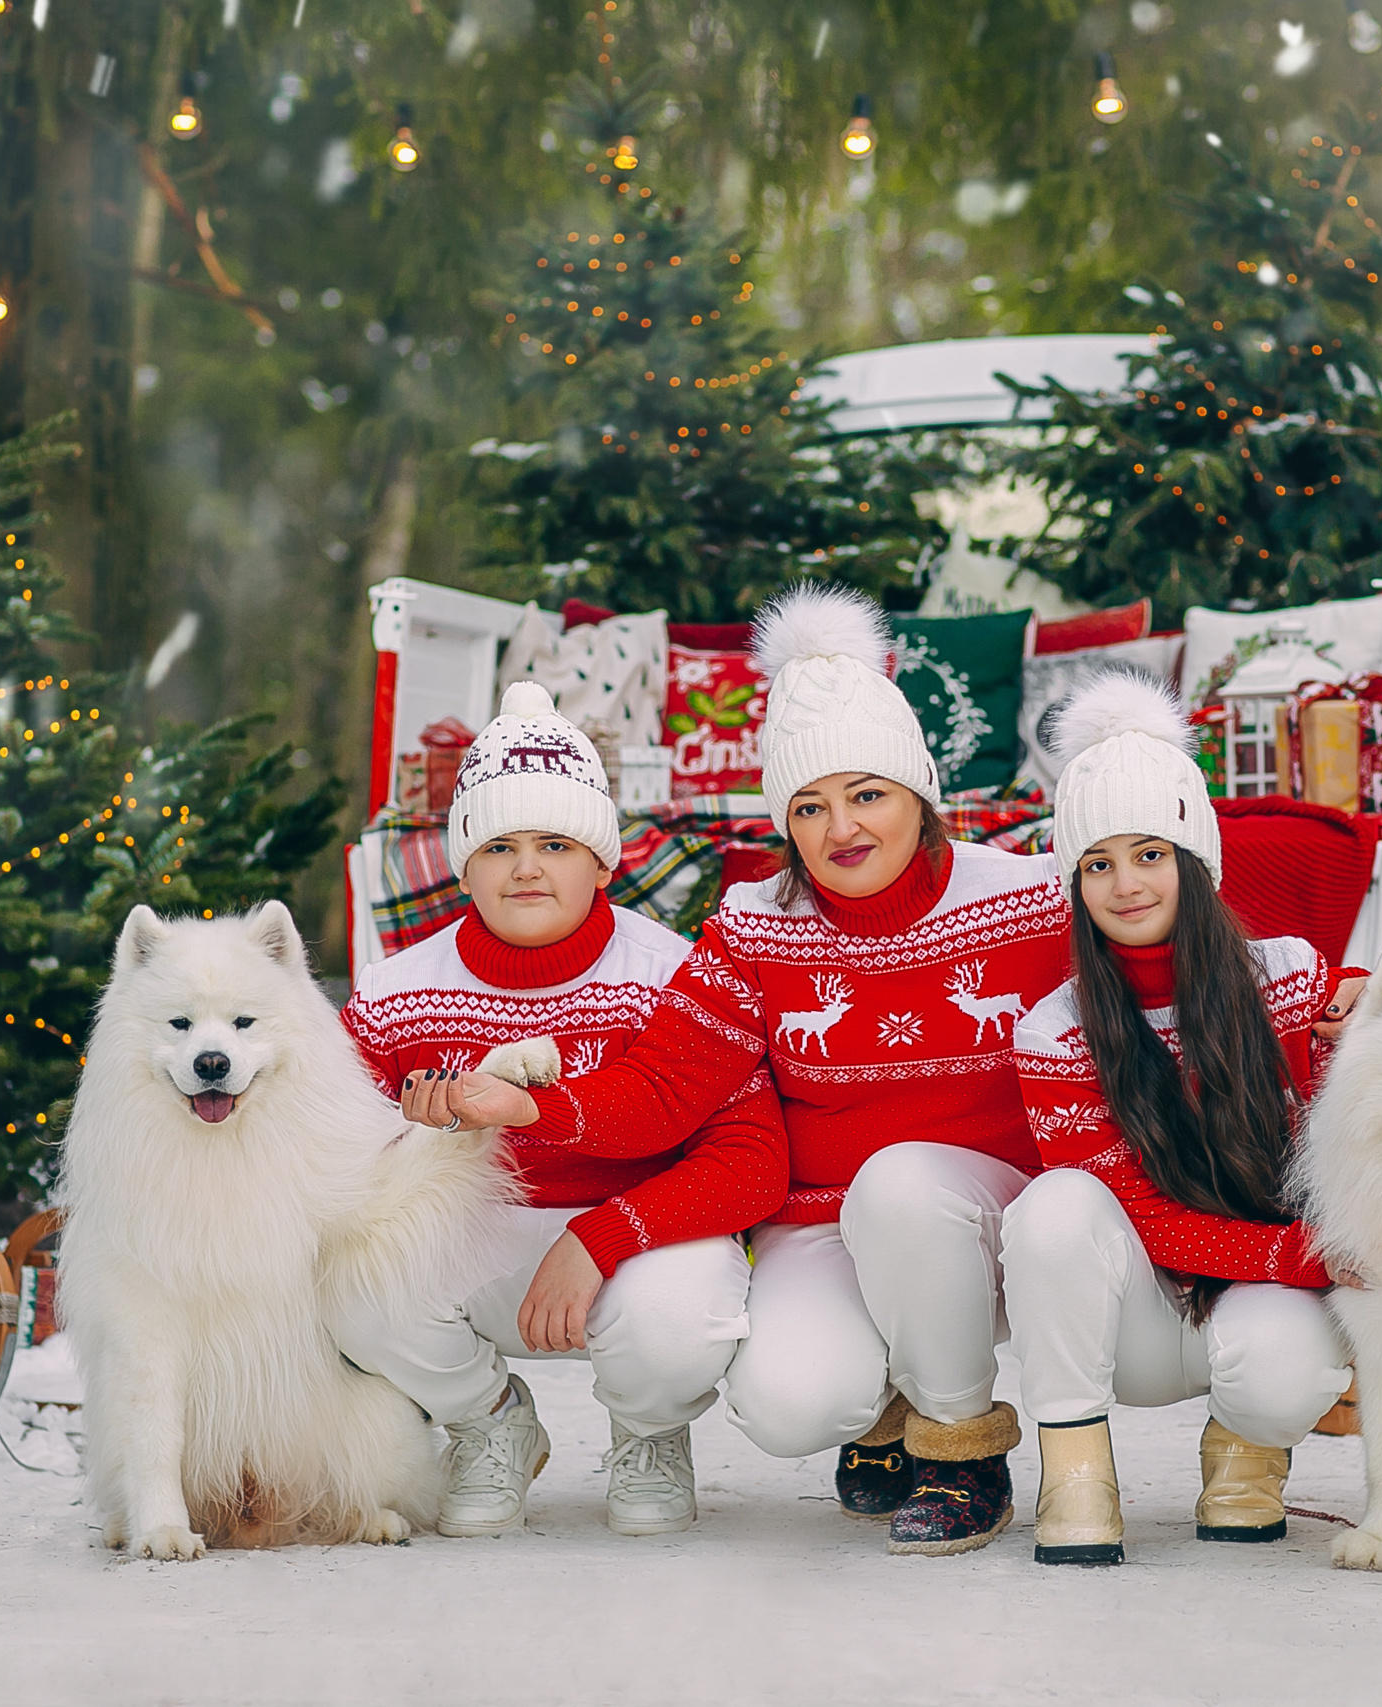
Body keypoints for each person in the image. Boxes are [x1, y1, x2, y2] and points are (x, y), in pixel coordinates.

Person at [439, 584, 1070, 1557]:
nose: (840, 828)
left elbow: (1173, 951)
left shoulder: (1030, 899)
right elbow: (662, 1088)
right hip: (827, 1221)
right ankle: (885, 1404)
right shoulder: (755, 926)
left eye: (867, 794)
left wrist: (1311, 999)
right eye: (809, 806)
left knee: (904, 1184)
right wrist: (531, 1107)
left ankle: (960, 1446)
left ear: (919, 794)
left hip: (992, 1218)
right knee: (786, 1402)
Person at [334, 682, 788, 1538]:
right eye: (498, 845)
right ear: (463, 865)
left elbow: (752, 1160)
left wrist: (604, 1234)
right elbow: (328, 1157)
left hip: (634, 1243)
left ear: (603, 861)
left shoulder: (672, 974)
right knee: (351, 1277)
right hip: (473, 1244)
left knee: (679, 1314)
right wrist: (407, 1144)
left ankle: (649, 1429)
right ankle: (488, 1418)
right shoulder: (396, 991)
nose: (527, 868)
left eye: (555, 843)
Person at [1000, 671, 1370, 1566]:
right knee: (1052, 1207)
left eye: (1149, 853)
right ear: (1073, 883)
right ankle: (1075, 1473)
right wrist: (1303, 1256)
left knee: (1280, 1371)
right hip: (1132, 1312)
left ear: (1194, 861)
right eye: (1098, 863)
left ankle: (1247, 1454)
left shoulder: (1290, 977)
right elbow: (1144, 1213)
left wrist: (1379, 998)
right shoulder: (1055, 1030)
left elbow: (1355, 1134)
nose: (1125, 883)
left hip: (1260, 1297)